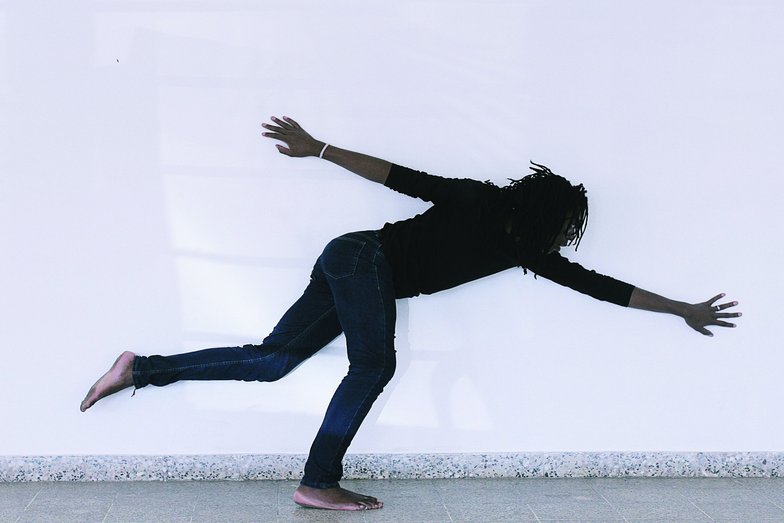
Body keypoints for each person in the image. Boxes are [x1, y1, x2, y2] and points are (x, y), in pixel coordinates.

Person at [80, 115, 741, 511]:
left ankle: (140, 368)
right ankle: (317, 480)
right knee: (374, 363)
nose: (564, 239)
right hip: (365, 262)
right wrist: (320, 148)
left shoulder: (517, 240)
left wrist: (680, 306)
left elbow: (603, 286)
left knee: (273, 360)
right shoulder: (494, 217)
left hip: (352, 261)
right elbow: (399, 175)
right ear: (550, 219)